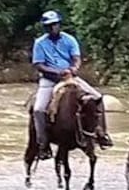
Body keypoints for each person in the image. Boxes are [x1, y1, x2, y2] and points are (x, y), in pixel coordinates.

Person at [31, 10, 112, 160]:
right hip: (49, 79)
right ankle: (43, 144)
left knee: (97, 97)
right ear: (45, 27)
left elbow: (76, 58)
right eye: (49, 26)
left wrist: (73, 69)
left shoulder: (69, 40)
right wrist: (56, 72)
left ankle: (101, 133)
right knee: (38, 109)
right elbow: (39, 64)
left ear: (59, 24)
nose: (52, 28)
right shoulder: (40, 43)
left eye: (54, 25)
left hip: (70, 77)